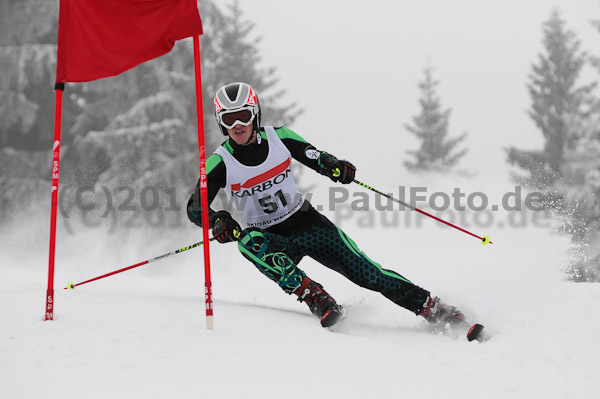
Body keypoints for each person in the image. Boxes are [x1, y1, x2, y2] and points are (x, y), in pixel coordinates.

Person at [187, 82, 477, 336]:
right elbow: (194, 207)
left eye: (244, 116)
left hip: (308, 224)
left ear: (255, 114)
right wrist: (217, 221)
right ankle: (316, 297)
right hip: (271, 239)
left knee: (368, 274)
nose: (238, 125)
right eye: (229, 119)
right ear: (221, 122)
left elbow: (316, 156)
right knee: (248, 242)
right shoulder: (220, 161)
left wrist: (335, 167)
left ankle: (432, 308)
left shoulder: (280, 137)